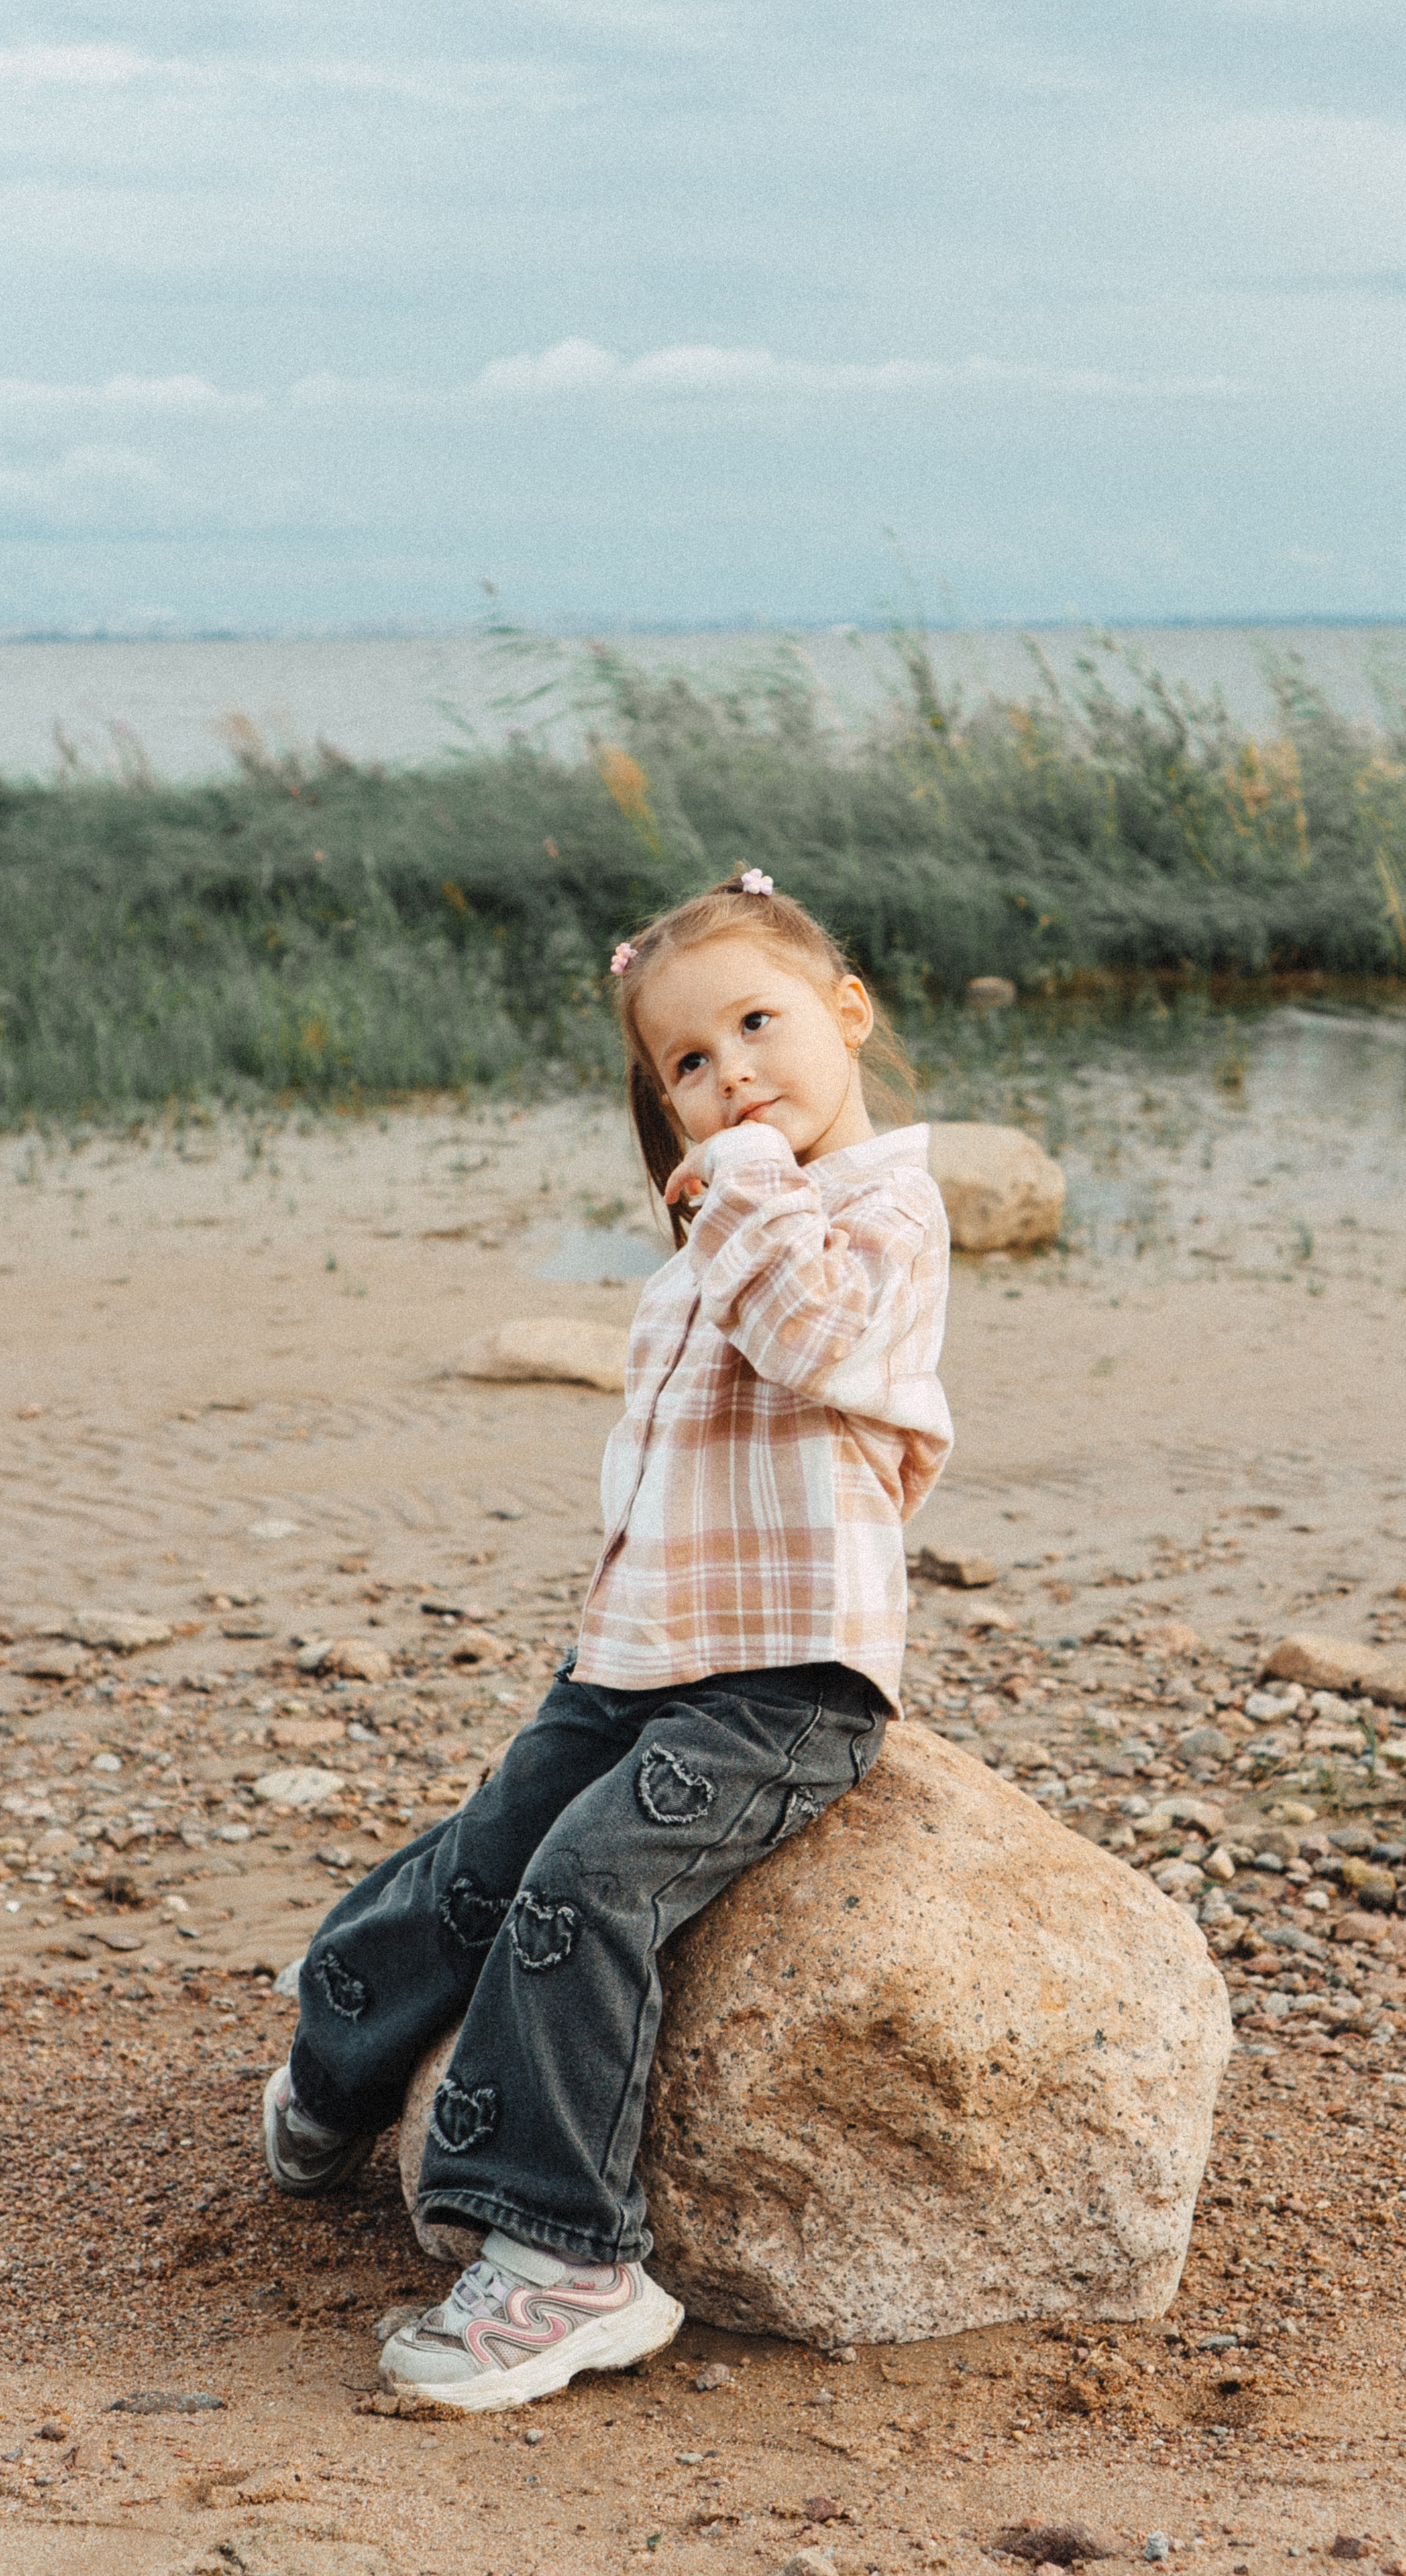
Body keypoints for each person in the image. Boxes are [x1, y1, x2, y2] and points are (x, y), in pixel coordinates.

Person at [261, 868, 954, 2413]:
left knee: (587, 1887)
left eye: (758, 1027)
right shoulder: (723, 1222)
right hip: (644, 1654)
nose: (730, 1079)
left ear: (847, 1014)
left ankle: (569, 2258)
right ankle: (338, 2065)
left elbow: (814, 1342)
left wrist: (746, 1185)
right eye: (689, 1068)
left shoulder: (881, 1208)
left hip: (787, 1678)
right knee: (491, 1845)